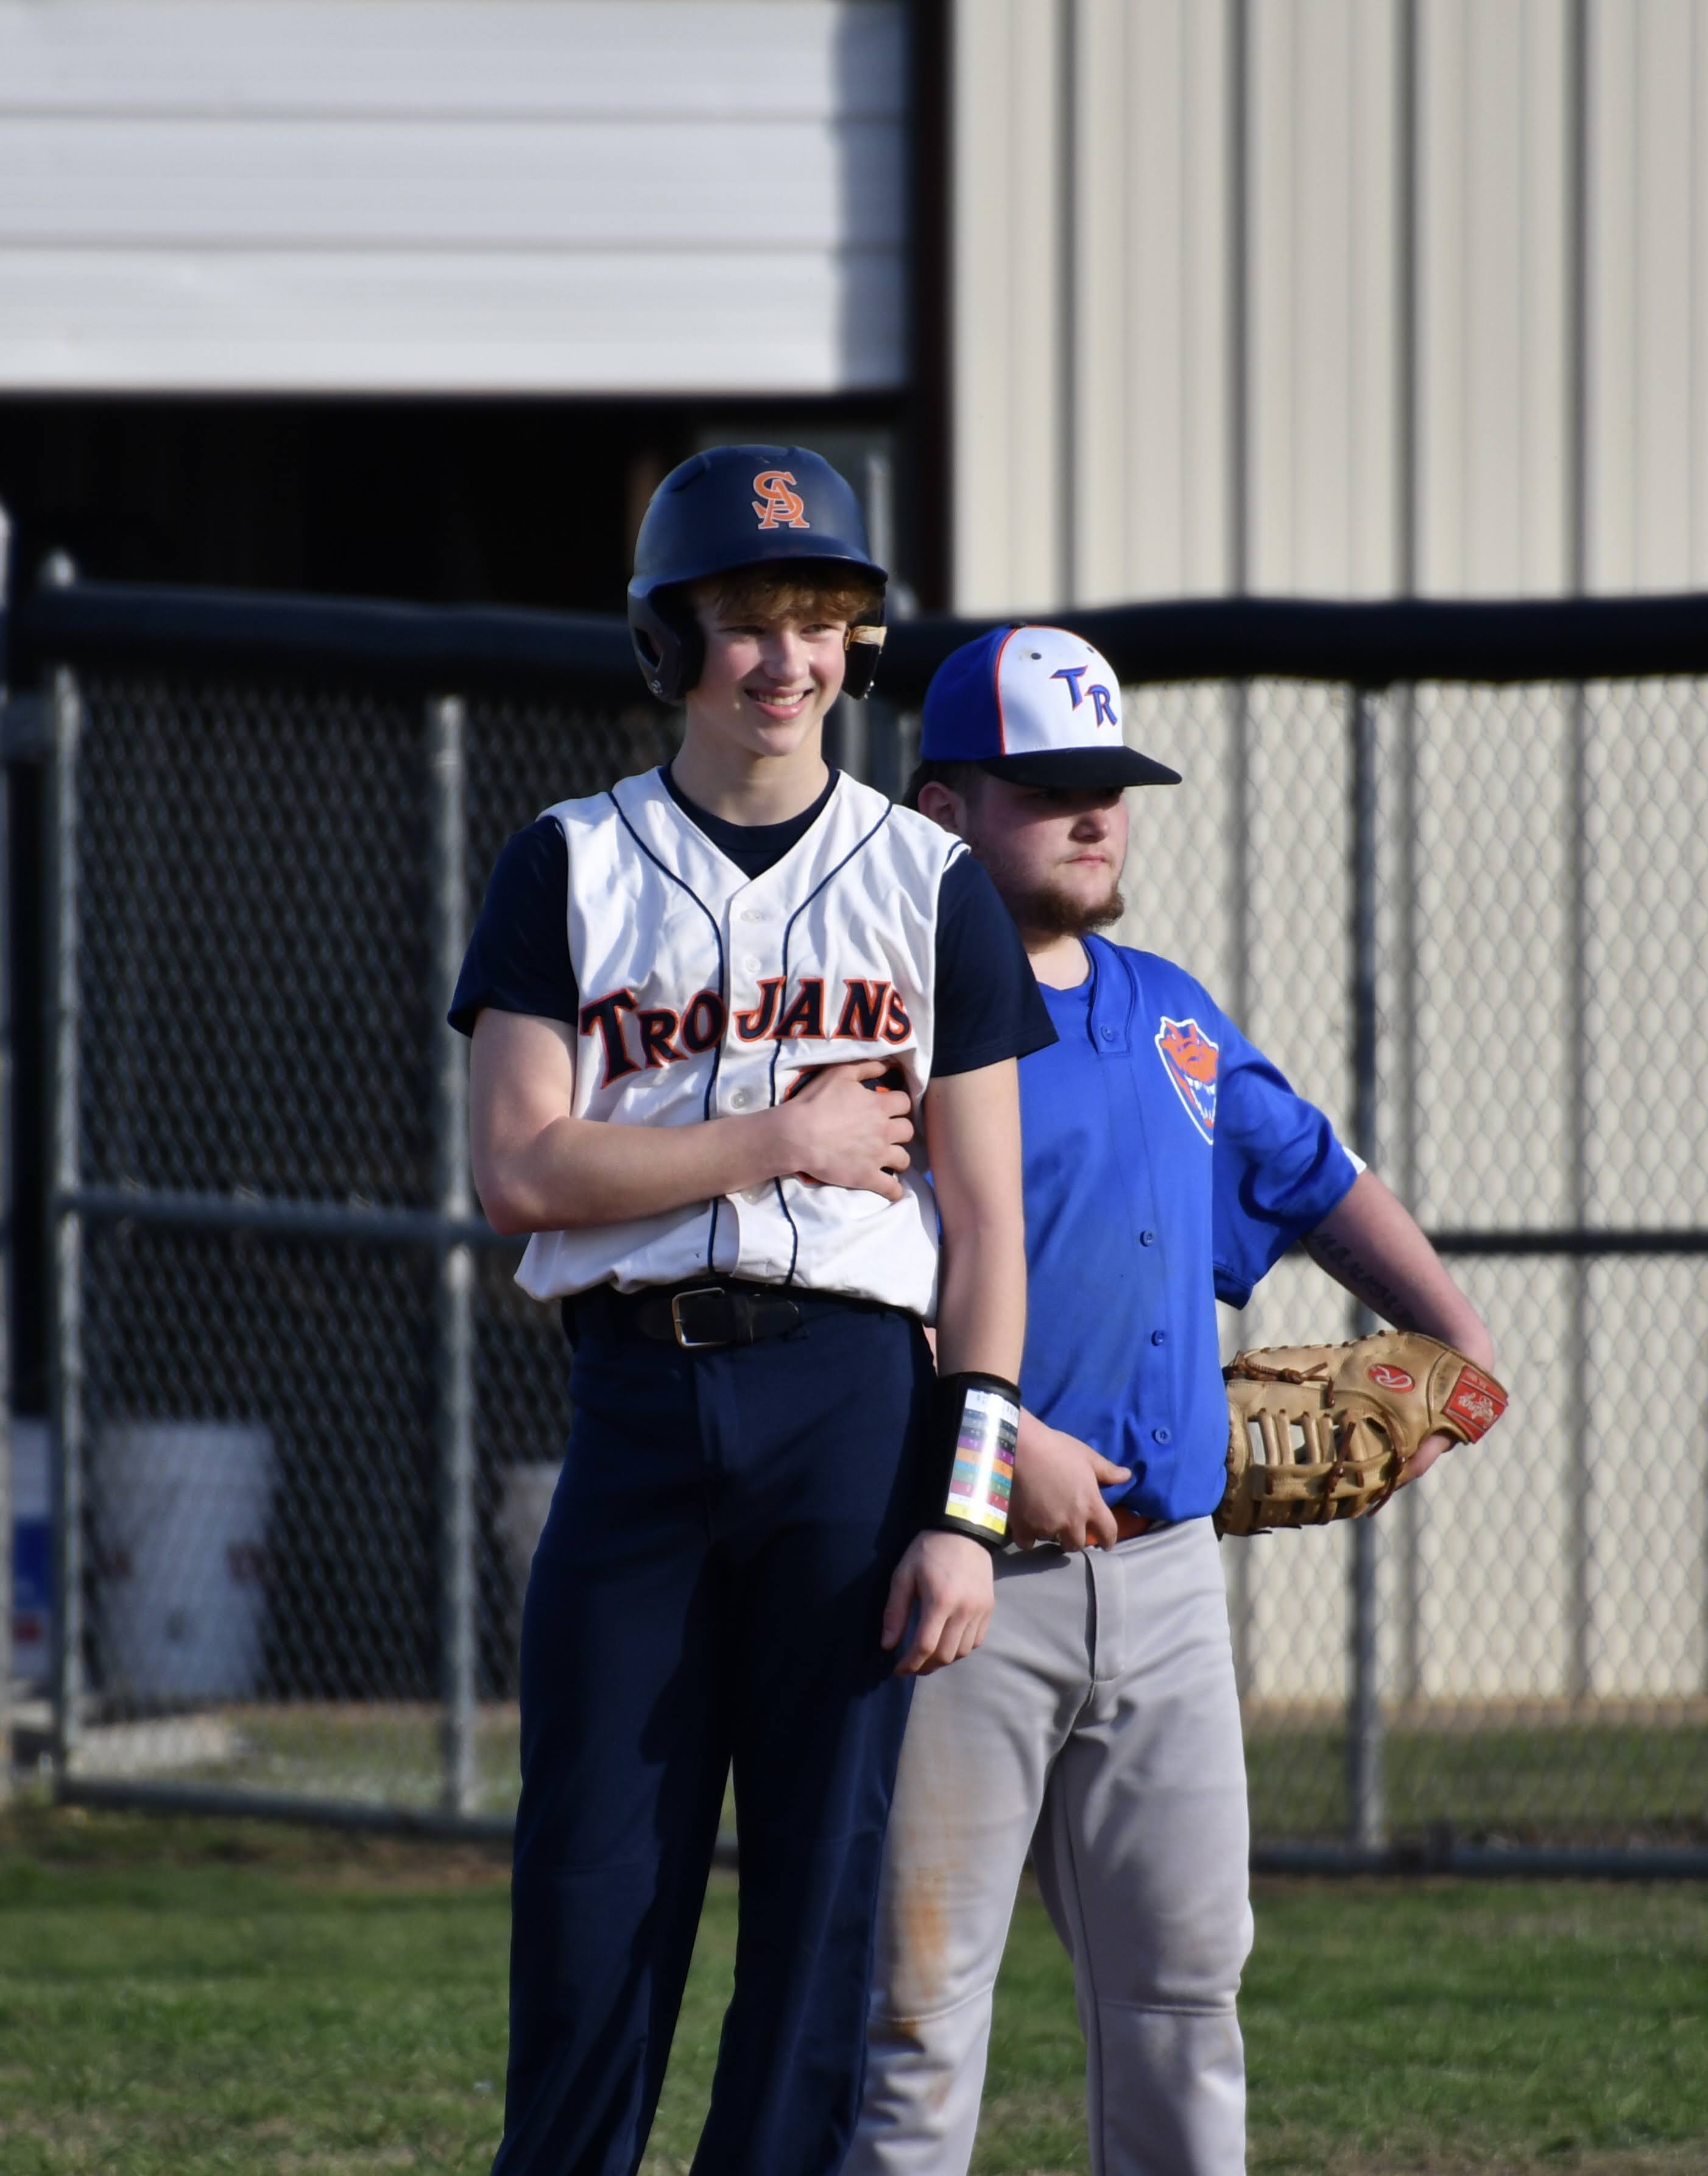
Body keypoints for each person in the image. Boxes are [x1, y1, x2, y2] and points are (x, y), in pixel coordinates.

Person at [448, 451, 1055, 2176]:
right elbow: (520, 1171)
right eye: (743, 622)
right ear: (668, 639)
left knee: (819, 1906)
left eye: (820, 620)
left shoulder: (924, 879)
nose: (783, 659)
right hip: (636, 1406)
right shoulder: (566, 862)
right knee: (588, 1892)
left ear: (857, 645)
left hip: (851, 1404)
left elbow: (991, 1234)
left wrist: (962, 1505)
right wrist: (772, 1141)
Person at [847, 625, 1498, 2176]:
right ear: (944, 812)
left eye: (1112, 785)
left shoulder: (1170, 1012)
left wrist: (1456, 1338)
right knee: (914, 2022)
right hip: (956, 1590)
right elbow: (844, 1297)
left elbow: (1317, 1174)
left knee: (1184, 2001)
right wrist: (995, 1448)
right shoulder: (891, 1019)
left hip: (1165, 1587)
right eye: (1049, 786)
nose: (1094, 813)